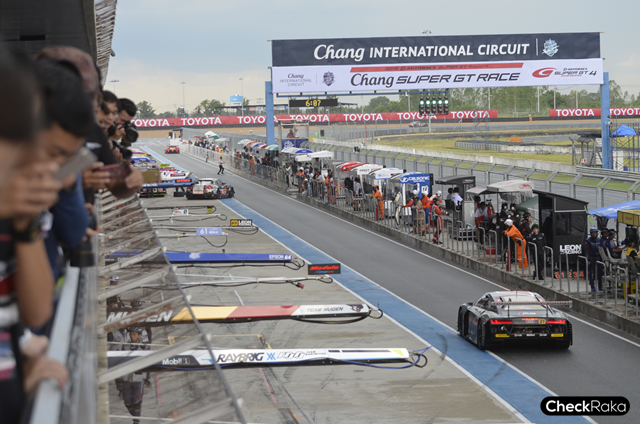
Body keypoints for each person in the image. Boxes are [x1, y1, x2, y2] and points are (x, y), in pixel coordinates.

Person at [116, 327, 149, 424]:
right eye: (131, 334)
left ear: (139, 335)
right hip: (126, 379)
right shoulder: (125, 347)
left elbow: (148, 362)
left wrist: (146, 377)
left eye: (134, 334)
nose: (132, 336)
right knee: (127, 403)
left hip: (138, 379)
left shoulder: (144, 348)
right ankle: (135, 416)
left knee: (137, 402)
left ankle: (136, 421)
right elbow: (120, 362)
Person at [584, 227, 603, 292]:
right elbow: (586, 251)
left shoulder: (599, 240)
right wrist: (588, 259)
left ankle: (600, 286)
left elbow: (601, 249)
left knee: (600, 272)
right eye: (592, 233)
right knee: (591, 273)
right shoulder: (588, 241)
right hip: (592, 257)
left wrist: (602, 258)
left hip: (598, 257)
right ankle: (592, 286)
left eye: (595, 232)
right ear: (591, 233)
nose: (594, 234)